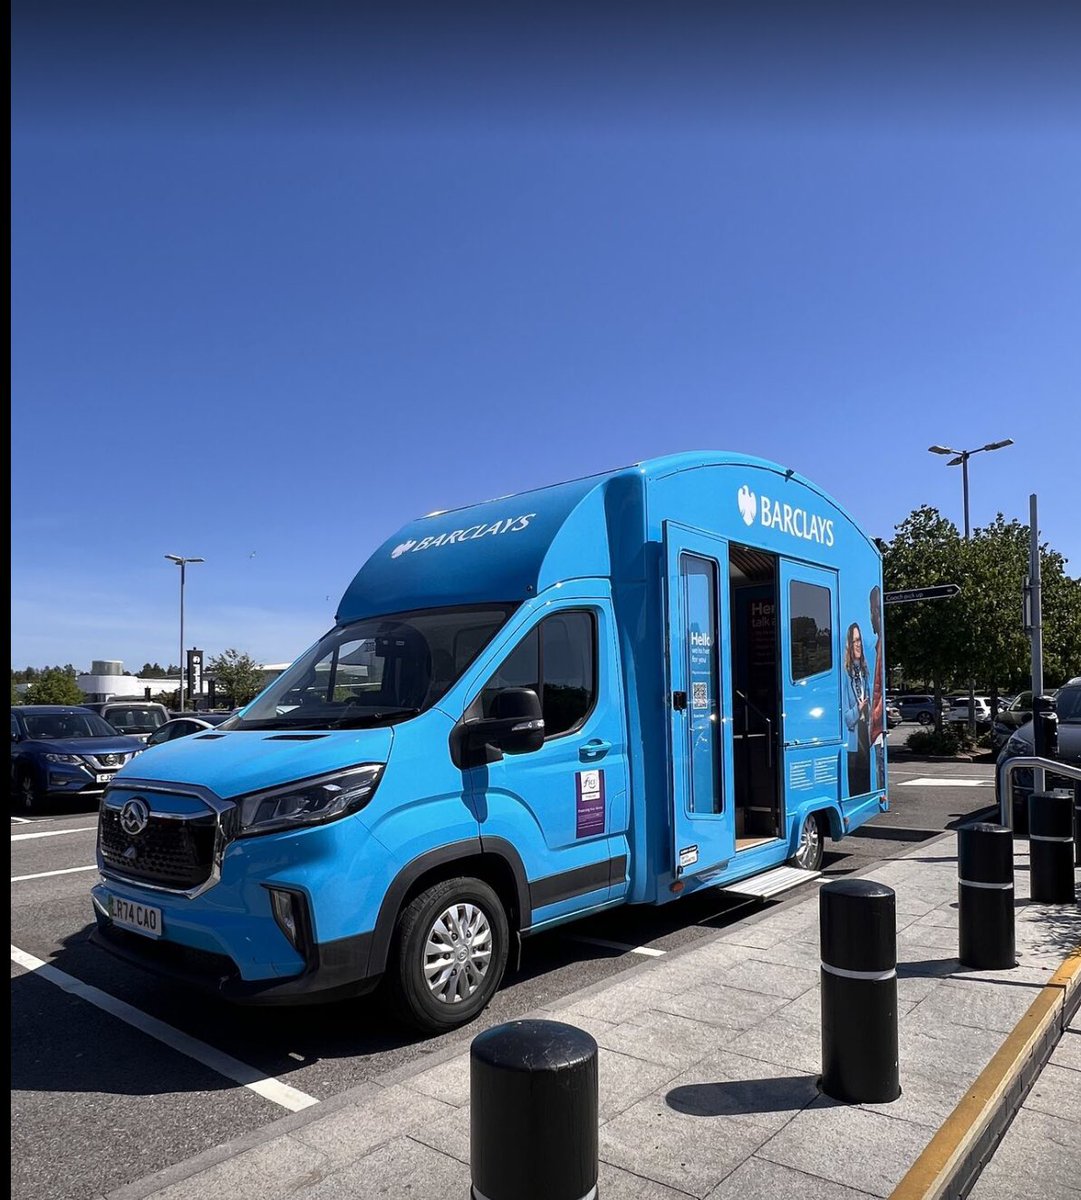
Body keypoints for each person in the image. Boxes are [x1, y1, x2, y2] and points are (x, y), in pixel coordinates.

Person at [844, 622, 871, 796]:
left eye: (860, 639)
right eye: (855, 640)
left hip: (865, 733)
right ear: (849, 644)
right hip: (853, 737)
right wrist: (858, 708)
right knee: (856, 783)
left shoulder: (862, 672)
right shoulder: (846, 674)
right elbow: (846, 717)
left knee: (865, 782)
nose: (859, 644)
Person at [869, 586, 886, 791]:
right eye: (872, 611)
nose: (874, 616)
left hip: (875, 730)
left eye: (876, 610)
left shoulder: (878, 646)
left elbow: (878, 692)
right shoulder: (876, 645)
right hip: (873, 731)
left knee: (878, 772)